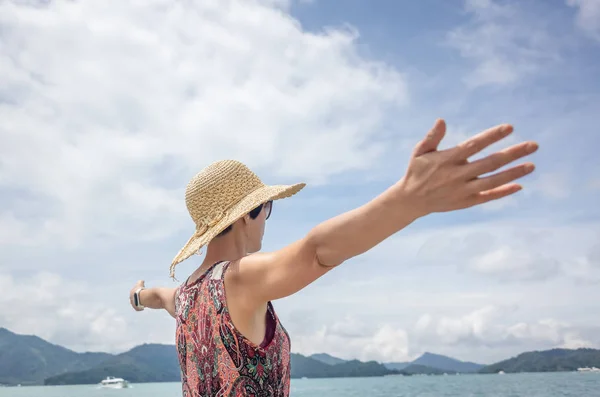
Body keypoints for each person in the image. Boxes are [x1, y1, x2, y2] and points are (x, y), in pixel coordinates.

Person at [129, 119, 538, 396]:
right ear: (247, 215)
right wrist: (407, 200)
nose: (267, 220)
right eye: (266, 209)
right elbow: (316, 252)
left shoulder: (185, 296)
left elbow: (155, 297)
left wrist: (137, 296)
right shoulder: (239, 278)